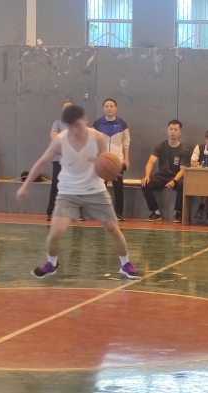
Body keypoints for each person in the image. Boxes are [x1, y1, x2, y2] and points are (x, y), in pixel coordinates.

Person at [16, 105, 141, 280]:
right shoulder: (60, 141)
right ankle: (51, 263)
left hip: (95, 190)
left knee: (113, 228)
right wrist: (25, 186)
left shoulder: (97, 137)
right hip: (68, 192)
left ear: (84, 120)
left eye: (77, 124)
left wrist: (111, 172)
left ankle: (125, 264)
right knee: (55, 232)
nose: (74, 129)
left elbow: (105, 161)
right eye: (70, 126)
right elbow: (42, 162)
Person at [141, 120, 189, 223]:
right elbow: (150, 162)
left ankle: (178, 213)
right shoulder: (161, 145)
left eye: (175, 130)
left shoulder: (183, 149)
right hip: (162, 176)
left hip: (175, 177)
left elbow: (182, 170)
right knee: (145, 184)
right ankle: (156, 212)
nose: (173, 132)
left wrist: (174, 181)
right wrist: (147, 176)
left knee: (183, 184)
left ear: (180, 132)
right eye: (171, 129)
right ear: (167, 130)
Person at [92, 98, 131, 221]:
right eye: (106, 106)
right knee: (100, 188)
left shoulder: (122, 124)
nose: (109, 108)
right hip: (101, 161)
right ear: (103, 108)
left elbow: (126, 142)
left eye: (111, 106)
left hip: (116, 161)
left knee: (118, 188)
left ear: (116, 108)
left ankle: (118, 213)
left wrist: (126, 158)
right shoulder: (97, 124)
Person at [47, 100, 74, 221]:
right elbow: (54, 138)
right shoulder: (57, 123)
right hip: (59, 159)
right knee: (56, 185)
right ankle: (51, 211)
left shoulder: (79, 124)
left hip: (74, 161)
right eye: (65, 108)